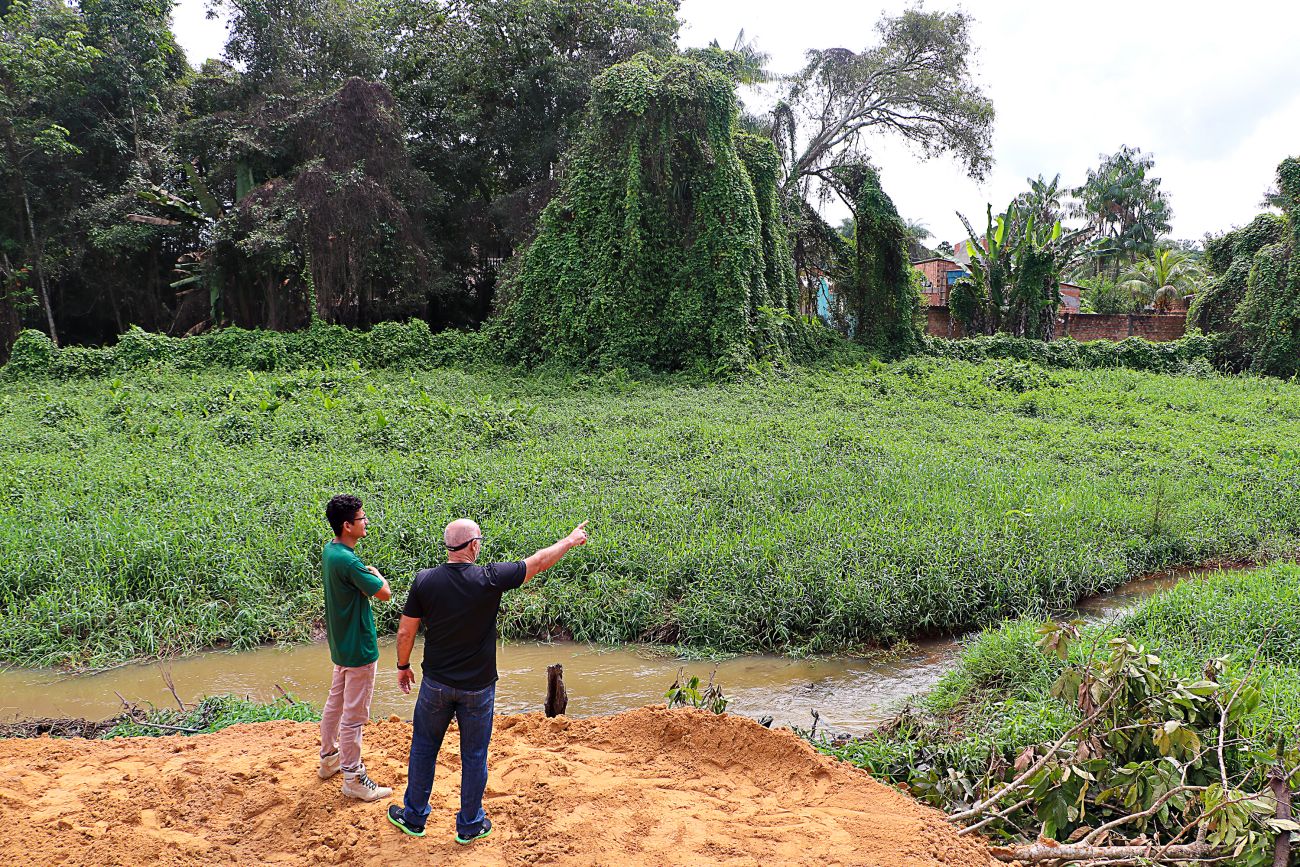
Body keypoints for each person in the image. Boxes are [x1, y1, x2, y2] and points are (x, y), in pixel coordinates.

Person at [386, 518, 589, 842]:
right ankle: (469, 825)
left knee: (424, 749)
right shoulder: (490, 578)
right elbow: (538, 562)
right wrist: (569, 540)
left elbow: (405, 631)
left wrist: (402, 665)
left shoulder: (425, 580)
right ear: (473, 545)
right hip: (478, 689)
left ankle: (414, 818)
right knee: (474, 755)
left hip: (436, 684)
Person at [318, 493, 394, 802]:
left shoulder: (331, 551)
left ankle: (329, 758)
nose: (366, 522)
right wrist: (376, 574)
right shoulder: (349, 562)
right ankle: (353, 777)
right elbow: (384, 593)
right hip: (359, 647)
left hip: (341, 645)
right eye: (362, 518)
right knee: (354, 716)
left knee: (335, 703)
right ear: (347, 525)